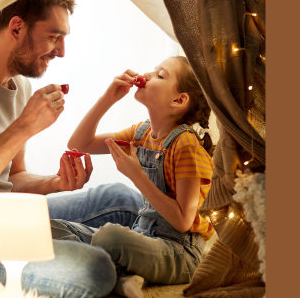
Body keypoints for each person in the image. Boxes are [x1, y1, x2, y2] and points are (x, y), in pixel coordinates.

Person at [0, 0, 118, 298]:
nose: (61, 52)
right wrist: (24, 126)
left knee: (119, 198)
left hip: (7, 216)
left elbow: (14, 178)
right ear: (17, 27)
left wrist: (55, 183)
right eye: (54, 37)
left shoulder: (20, 85)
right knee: (95, 268)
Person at [67, 56, 215, 287]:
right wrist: (108, 99)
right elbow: (79, 143)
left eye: (160, 75)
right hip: (144, 236)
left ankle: (115, 274)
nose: (146, 75)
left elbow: (183, 221)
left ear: (179, 100)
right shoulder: (142, 132)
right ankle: (122, 277)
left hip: (179, 251)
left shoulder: (186, 146)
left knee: (110, 237)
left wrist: (136, 174)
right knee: (57, 228)